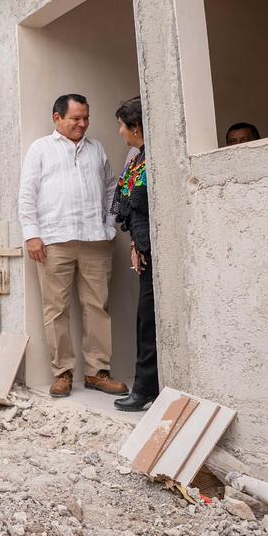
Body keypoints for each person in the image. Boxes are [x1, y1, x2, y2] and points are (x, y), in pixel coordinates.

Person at [19, 93, 126, 399]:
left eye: (86, 118)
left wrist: (109, 225)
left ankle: (97, 372)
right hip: (54, 241)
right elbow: (28, 193)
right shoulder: (41, 148)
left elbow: (110, 188)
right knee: (56, 310)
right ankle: (62, 372)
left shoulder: (96, 149)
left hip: (95, 240)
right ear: (58, 118)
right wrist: (32, 234)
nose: (83, 124)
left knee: (97, 307)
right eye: (76, 118)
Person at [111, 96, 159, 411]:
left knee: (149, 320)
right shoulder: (136, 157)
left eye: (121, 125)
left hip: (158, 250)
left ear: (136, 127)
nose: (119, 131)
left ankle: (145, 389)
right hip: (144, 248)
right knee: (146, 318)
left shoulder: (152, 158)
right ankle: (146, 387)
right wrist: (135, 244)